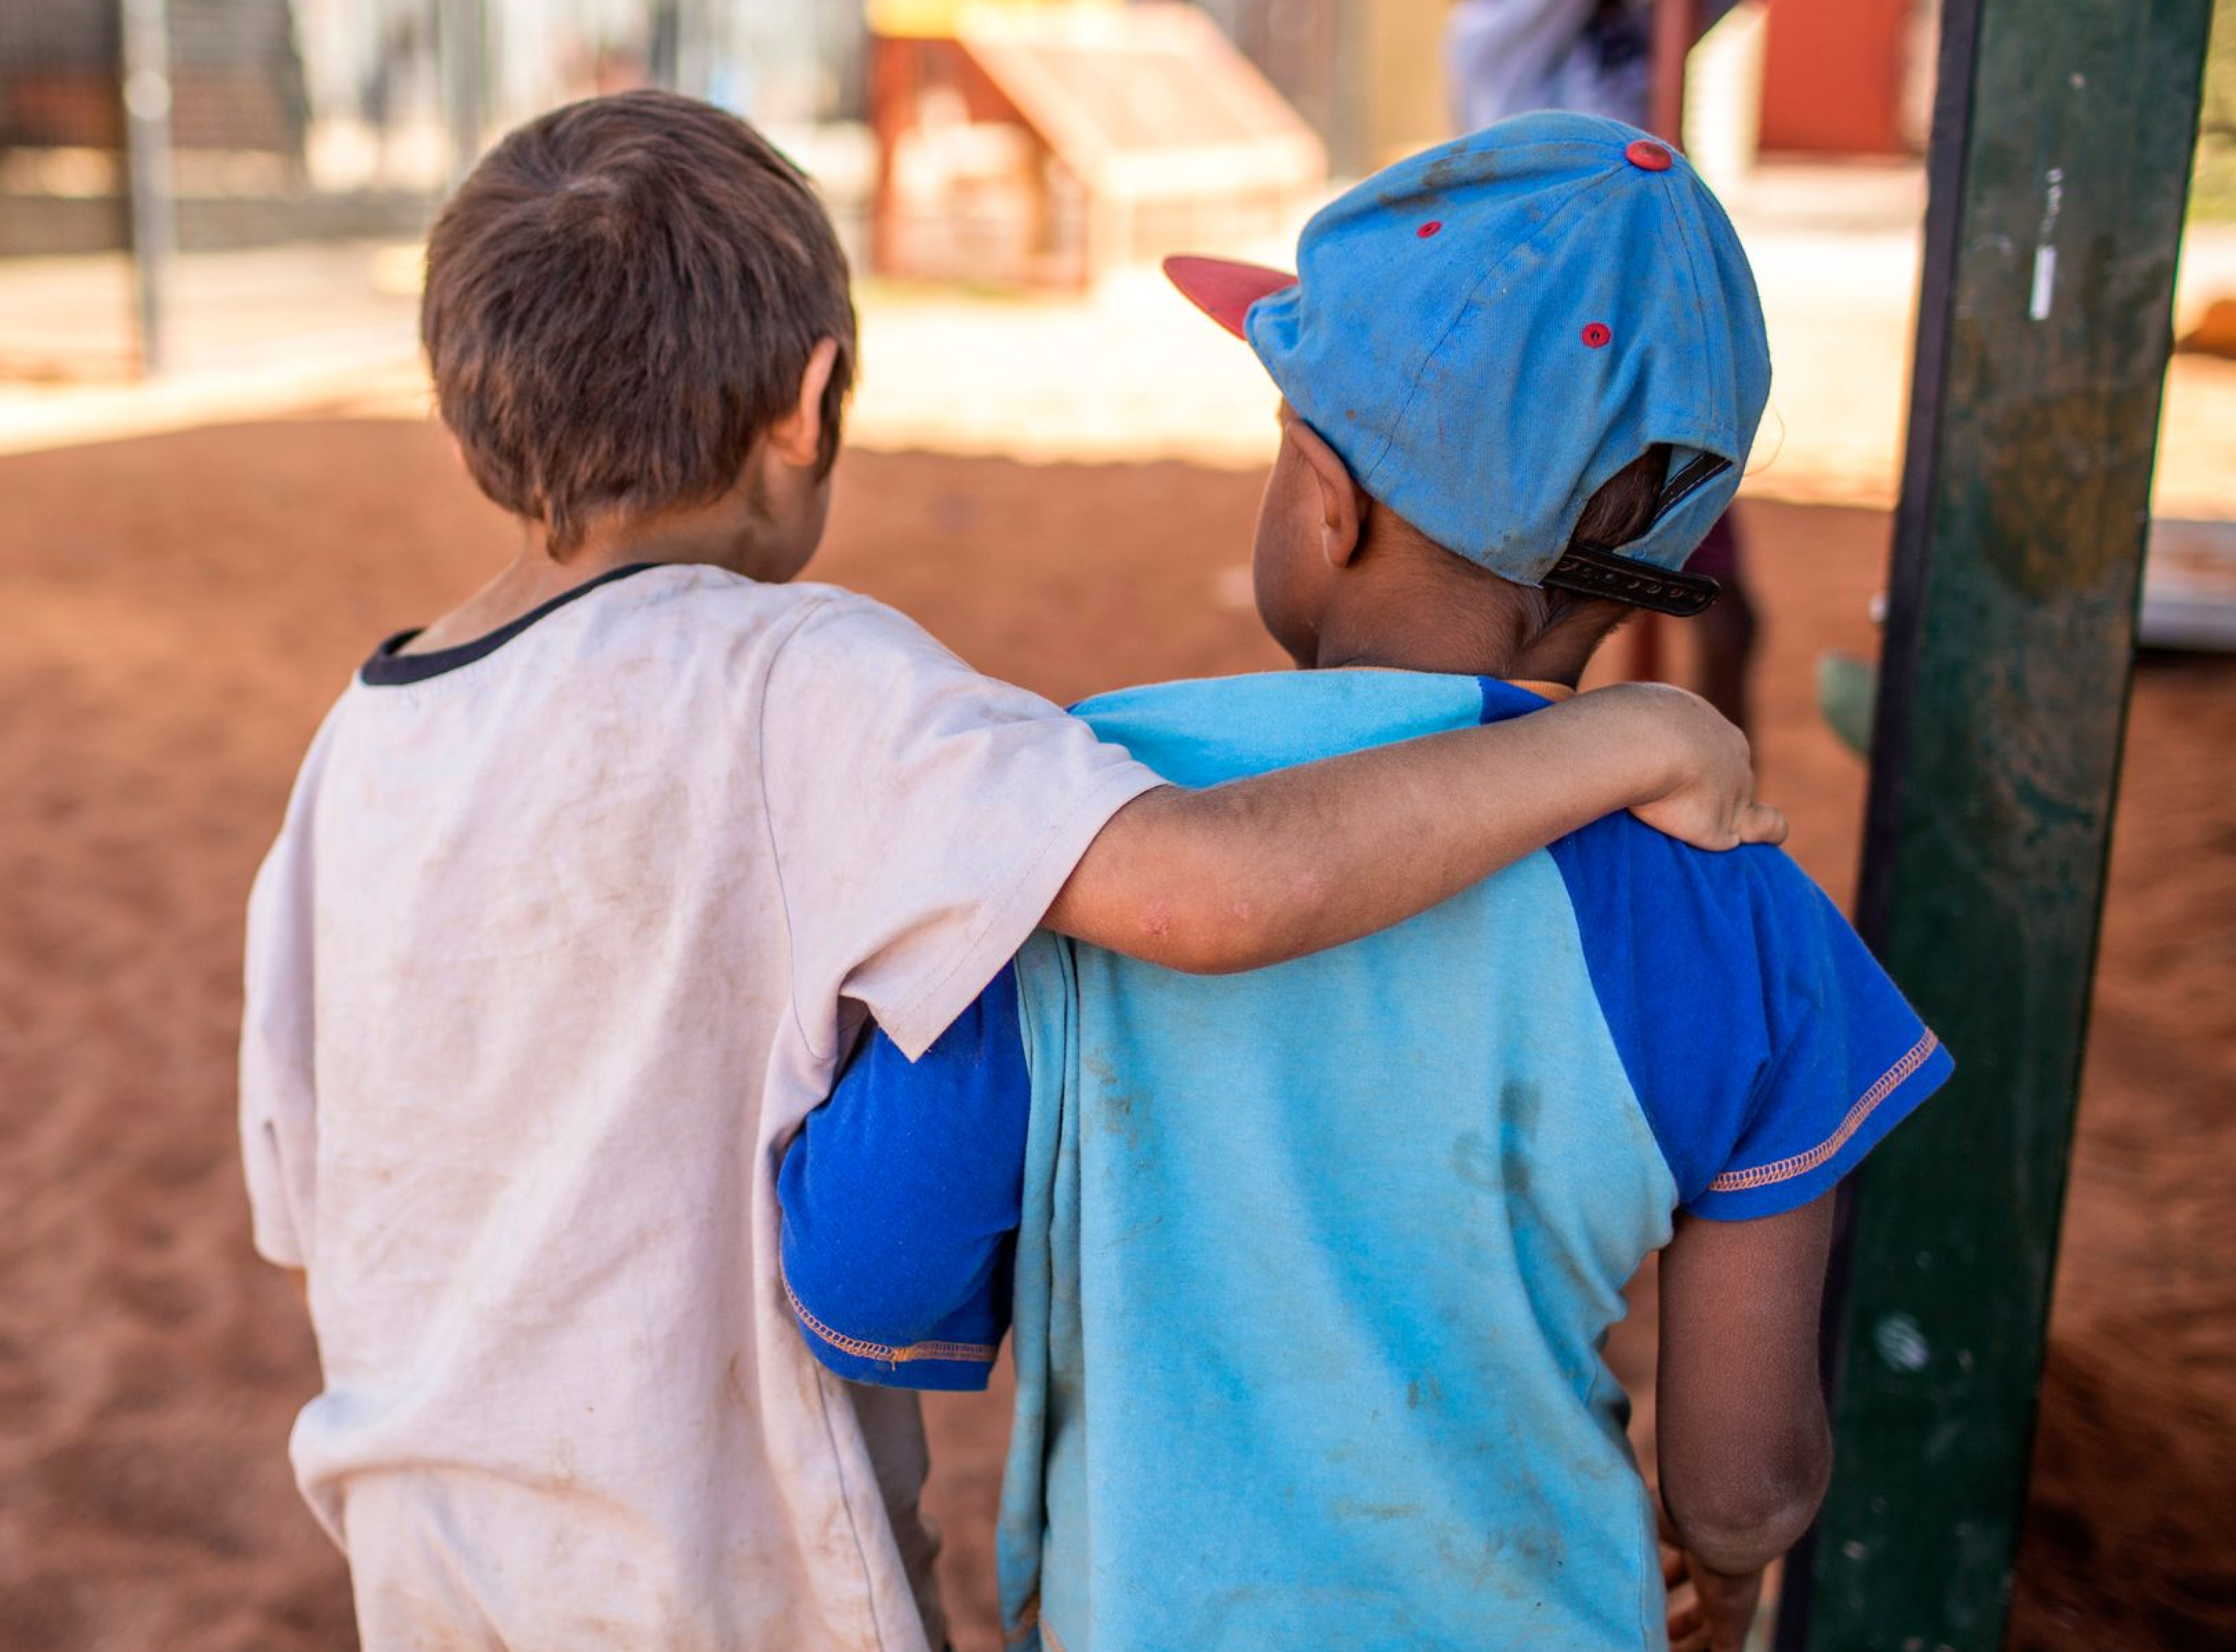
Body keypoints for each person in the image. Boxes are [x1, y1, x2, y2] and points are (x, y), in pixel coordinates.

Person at [235, 93, 1783, 1652]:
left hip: (420, 1556)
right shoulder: (802, 676)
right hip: (716, 1574)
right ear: (811, 400)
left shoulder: (349, 754)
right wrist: (1628, 743)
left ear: (467, 413)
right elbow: (1203, 898)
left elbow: (309, 1199)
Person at [779, 113, 1953, 1652]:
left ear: (1325, 506)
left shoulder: (1075, 842)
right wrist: (1724, 1573)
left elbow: (864, 1265)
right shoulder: (1726, 887)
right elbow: (1745, 1481)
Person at [1451, 0, 1761, 731]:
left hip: (1649, 356)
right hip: (1550, 353)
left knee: (1724, 616)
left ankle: (1715, 809)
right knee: (1533, 625)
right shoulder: (1498, 32)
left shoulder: (1643, 29)